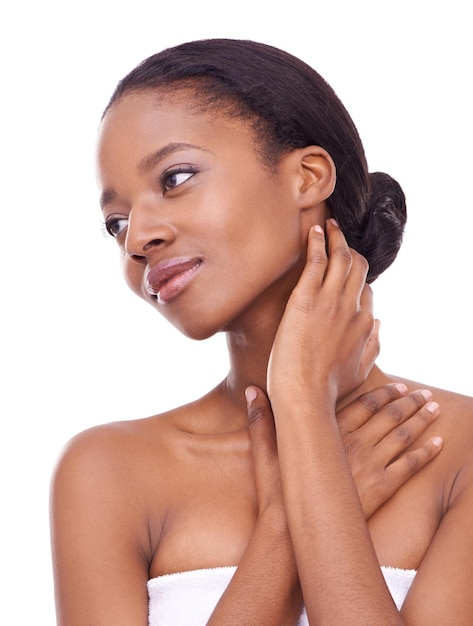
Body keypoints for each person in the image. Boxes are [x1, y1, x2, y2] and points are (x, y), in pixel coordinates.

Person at [50, 39, 473, 624]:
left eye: (175, 177)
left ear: (307, 176)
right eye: (115, 222)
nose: (137, 237)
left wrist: (301, 400)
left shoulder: (459, 451)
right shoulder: (107, 472)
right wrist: (284, 522)